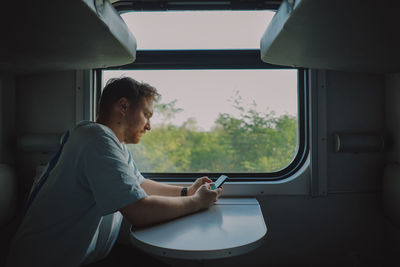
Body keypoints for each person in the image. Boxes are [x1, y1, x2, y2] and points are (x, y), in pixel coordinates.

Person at [6, 77, 223, 267]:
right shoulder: (96, 139)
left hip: (87, 257)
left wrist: (187, 191)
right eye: (146, 115)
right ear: (123, 107)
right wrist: (198, 202)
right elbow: (140, 212)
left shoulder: (111, 143)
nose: (149, 126)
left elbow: (140, 185)